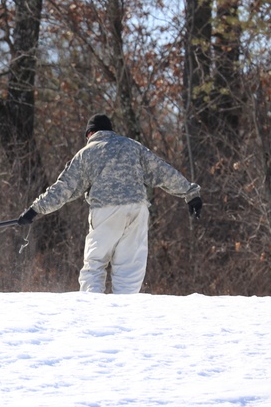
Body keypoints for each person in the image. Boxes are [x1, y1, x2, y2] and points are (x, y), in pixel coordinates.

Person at [17, 114, 203, 294]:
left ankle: (92, 311)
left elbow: (62, 189)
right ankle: (124, 315)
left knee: (95, 263)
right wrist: (190, 193)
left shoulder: (86, 153)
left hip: (105, 210)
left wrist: (34, 210)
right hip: (137, 209)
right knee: (129, 268)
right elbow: (163, 171)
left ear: (89, 133)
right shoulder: (133, 147)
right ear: (110, 131)